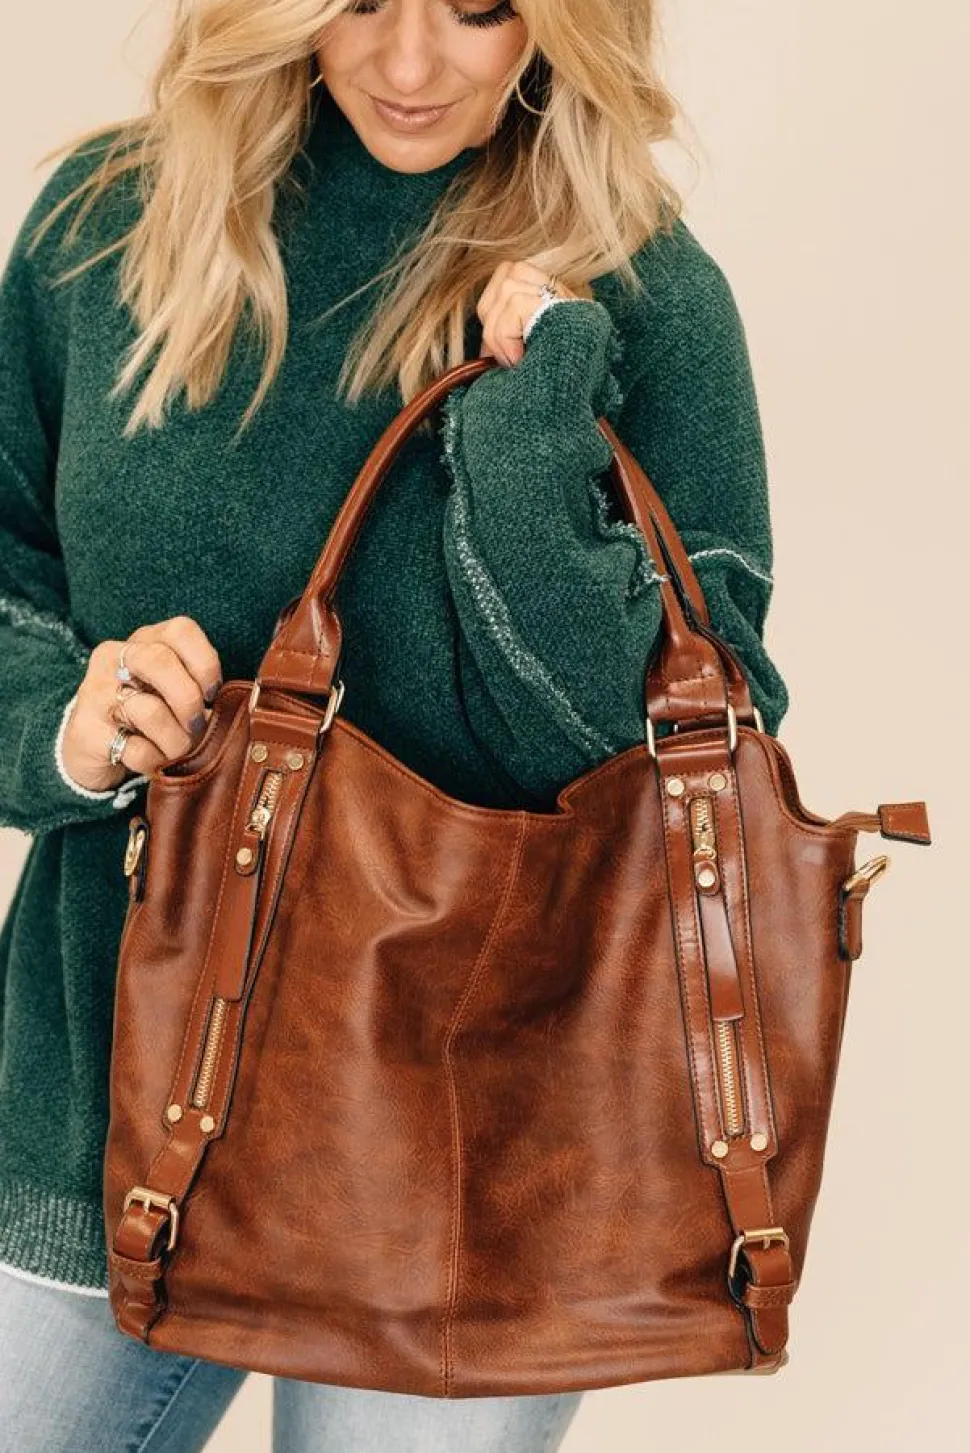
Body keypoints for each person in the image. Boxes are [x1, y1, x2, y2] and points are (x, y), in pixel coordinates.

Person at [0, 0, 790, 1447]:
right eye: (360, 0)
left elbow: (672, 750)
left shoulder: (643, 297)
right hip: (101, 1102)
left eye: (479, 7)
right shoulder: (110, 229)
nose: (411, 64)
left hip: (472, 1163)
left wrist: (533, 421)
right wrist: (71, 723)